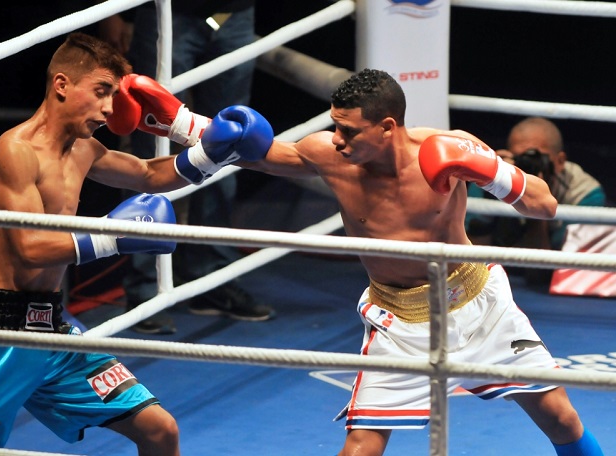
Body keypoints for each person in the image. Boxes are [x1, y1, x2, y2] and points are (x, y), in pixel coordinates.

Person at [233, 69, 602, 455]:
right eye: (335, 127)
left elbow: (545, 205)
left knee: (560, 418)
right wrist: (181, 122)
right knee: (361, 448)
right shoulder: (330, 155)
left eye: (350, 131)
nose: (338, 140)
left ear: (388, 127)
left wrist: (490, 172)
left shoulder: (450, 147)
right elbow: (253, 150)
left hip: (479, 306)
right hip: (399, 323)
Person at [0, 32, 272, 451]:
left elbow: (149, 174)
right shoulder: (15, 151)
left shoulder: (82, 149)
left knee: (159, 429)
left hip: (50, 328)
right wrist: (113, 237)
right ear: (61, 85)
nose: (110, 108)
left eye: (113, 96)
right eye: (100, 92)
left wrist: (211, 152)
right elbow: (29, 248)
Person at [99, 0, 275, 335]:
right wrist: (112, 13)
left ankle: (212, 278)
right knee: (149, 145)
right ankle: (144, 289)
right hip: (169, 13)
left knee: (231, 142)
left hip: (234, 12)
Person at [466, 116, 606, 283]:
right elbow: (473, 268)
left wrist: (537, 205)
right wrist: (492, 188)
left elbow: (547, 275)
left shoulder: (584, 195)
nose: (528, 166)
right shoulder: (492, 178)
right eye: (521, 158)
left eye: (536, 158)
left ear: (560, 161)